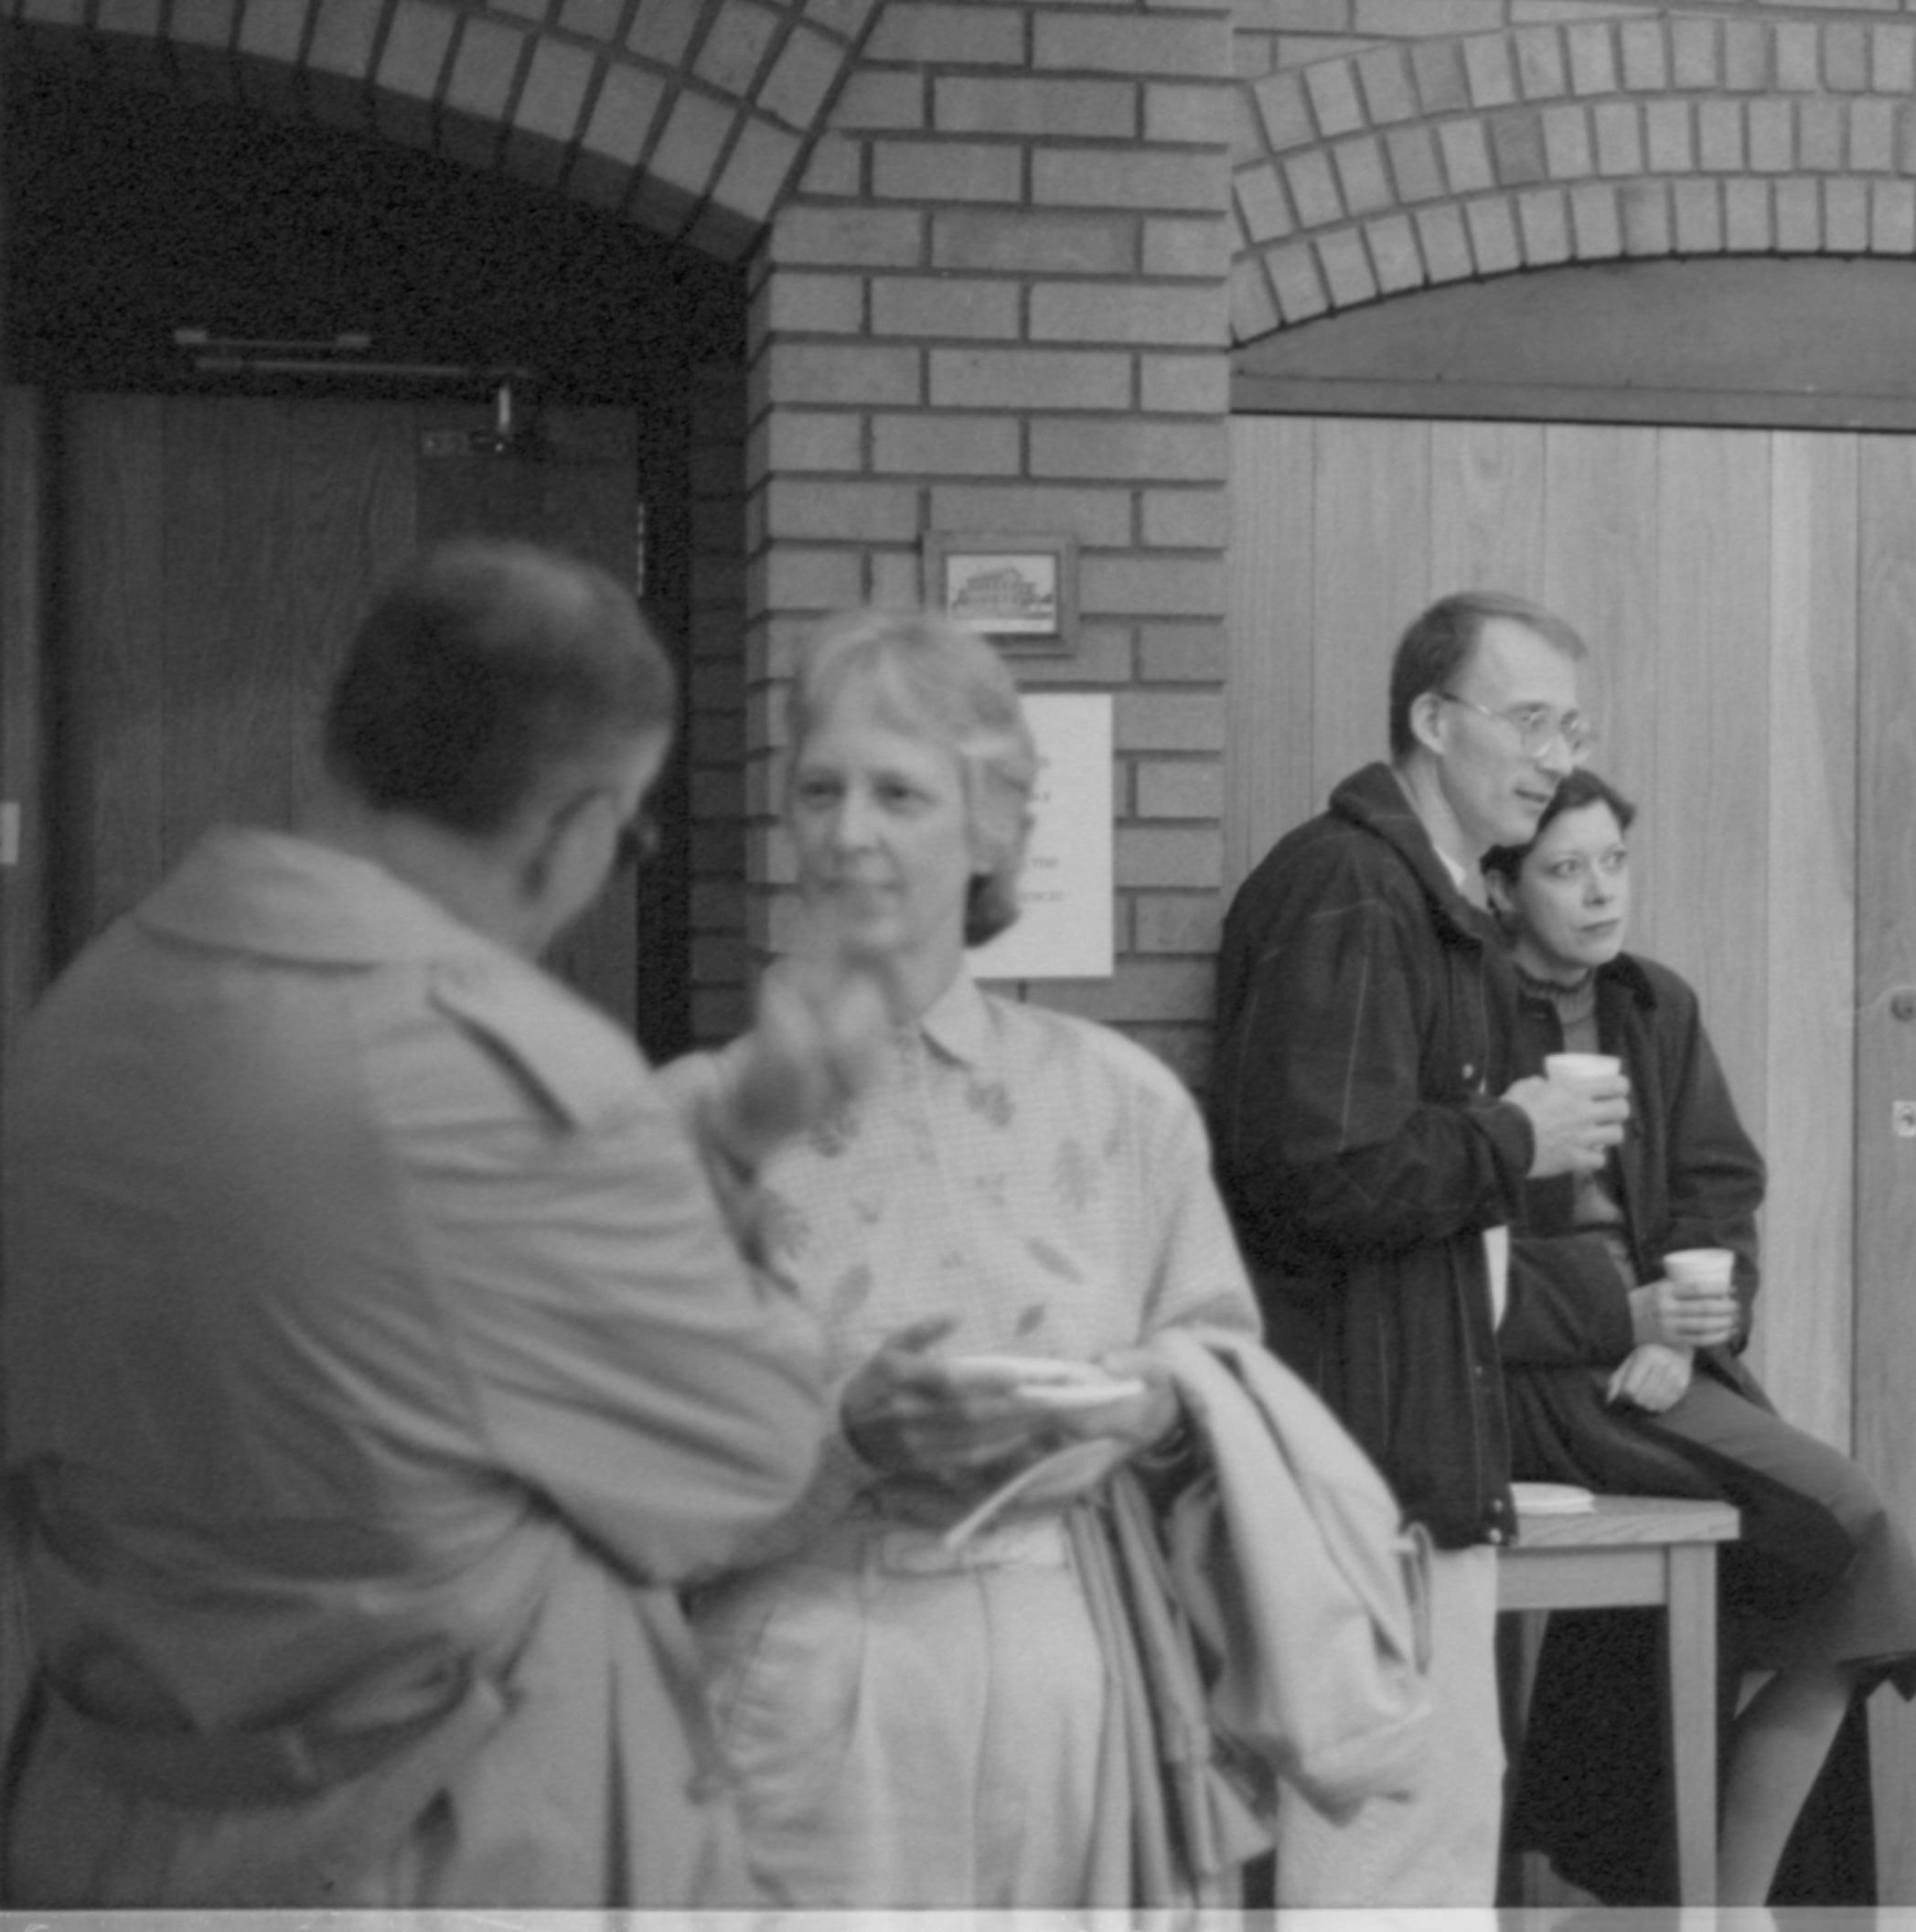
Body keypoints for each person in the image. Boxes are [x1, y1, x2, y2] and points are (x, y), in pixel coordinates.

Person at [0, 540, 846, 1906]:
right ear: (577, 824)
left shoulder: (85, 1008)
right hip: (427, 1844)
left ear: (339, 746)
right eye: (630, 835)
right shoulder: (517, 1080)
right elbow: (754, 1466)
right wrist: (732, 1166)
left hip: (114, 1816)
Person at [666, 609, 1271, 1906]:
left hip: (1074, 1669)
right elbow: (618, 1486)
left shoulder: (1119, 1103)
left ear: (993, 824)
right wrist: (849, 1442)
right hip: (802, 1680)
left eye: (899, 791)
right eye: (819, 789)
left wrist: (1148, 1396)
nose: (849, 831)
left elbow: (1221, 1366)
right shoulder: (692, 1124)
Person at [1207, 590, 1632, 1904]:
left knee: (1434, 1851)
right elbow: (1315, 1173)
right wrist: (1513, 1136)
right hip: (1359, 1474)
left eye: (1569, 723)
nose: (1555, 754)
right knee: (1388, 1868)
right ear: (1432, 722)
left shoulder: (1437, 903)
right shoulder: (1351, 888)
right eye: (1526, 720)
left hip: (1408, 1459)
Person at [1483, 767, 1916, 1905]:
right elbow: (1454, 1239)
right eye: (1564, 869)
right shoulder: (1466, 1012)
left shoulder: (1653, 1002)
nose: (1600, 894)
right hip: (1527, 1373)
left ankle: (1704, 1899)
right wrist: (1615, 1316)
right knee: (1854, 1531)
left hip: (1657, 1367)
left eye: (1614, 863)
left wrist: (1695, 1322)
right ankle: (1725, 1908)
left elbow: (1719, 1188)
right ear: (1500, 888)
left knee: (1842, 1573)